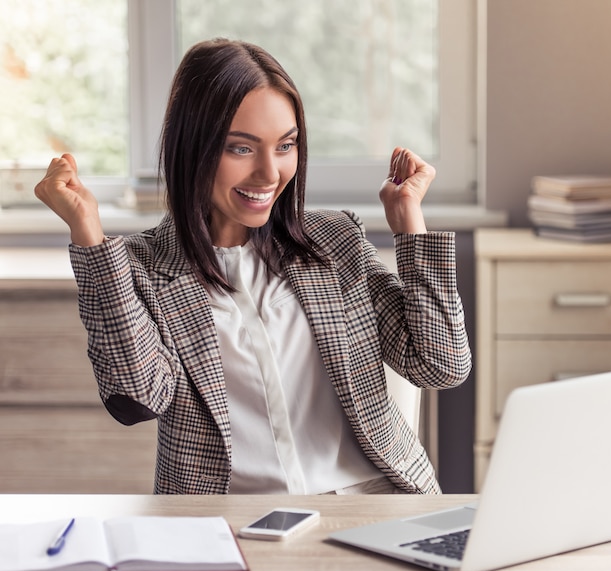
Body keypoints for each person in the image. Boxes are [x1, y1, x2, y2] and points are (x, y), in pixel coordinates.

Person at [34, 38, 471, 496]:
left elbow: (441, 365)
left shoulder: (335, 242)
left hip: (375, 506)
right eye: (241, 149)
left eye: (285, 146)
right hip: (235, 527)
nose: (269, 173)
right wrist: (87, 231)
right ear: (193, 148)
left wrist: (408, 223)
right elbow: (140, 396)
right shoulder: (142, 268)